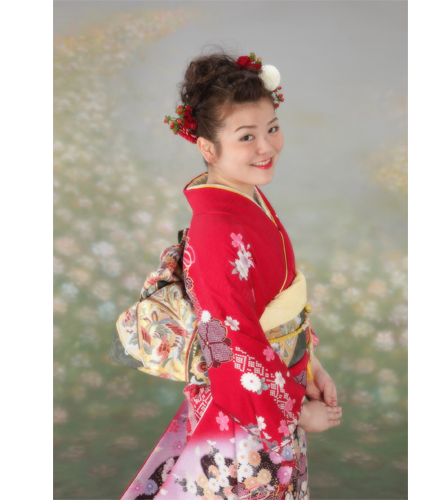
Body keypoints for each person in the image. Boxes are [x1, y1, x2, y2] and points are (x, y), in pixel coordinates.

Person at [119, 49, 342, 500]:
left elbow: (280, 308)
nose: (266, 147)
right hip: (247, 415)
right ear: (207, 148)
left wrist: (310, 367)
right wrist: (299, 411)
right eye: (246, 136)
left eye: (272, 128)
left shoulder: (247, 199)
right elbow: (231, 341)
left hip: (273, 391)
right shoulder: (218, 231)